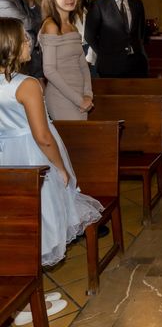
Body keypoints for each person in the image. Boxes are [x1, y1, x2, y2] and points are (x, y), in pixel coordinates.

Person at [0, 18, 103, 323]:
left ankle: (32, 293)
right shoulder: (27, 84)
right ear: (12, 46)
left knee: (15, 224)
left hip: (6, 156)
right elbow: (42, 136)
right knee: (41, 219)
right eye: (25, 40)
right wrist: (60, 169)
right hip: (33, 157)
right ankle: (23, 304)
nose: (30, 43)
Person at [38, 0, 93, 120]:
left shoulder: (73, 27)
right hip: (61, 97)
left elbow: (83, 66)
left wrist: (88, 94)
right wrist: (79, 100)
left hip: (81, 96)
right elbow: (49, 70)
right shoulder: (51, 26)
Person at [85, 0, 148, 78]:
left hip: (137, 65)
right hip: (110, 66)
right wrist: (105, 53)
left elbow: (141, 31)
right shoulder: (98, 5)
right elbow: (89, 35)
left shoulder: (137, 4)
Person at [0, 0, 44, 81]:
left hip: (30, 55)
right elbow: (27, 23)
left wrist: (32, 3)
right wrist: (39, 23)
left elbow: (39, 19)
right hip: (14, 55)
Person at [69, 0, 98, 77]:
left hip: (91, 51)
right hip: (70, 53)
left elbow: (96, 34)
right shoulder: (63, 9)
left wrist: (89, 58)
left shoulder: (93, 8)